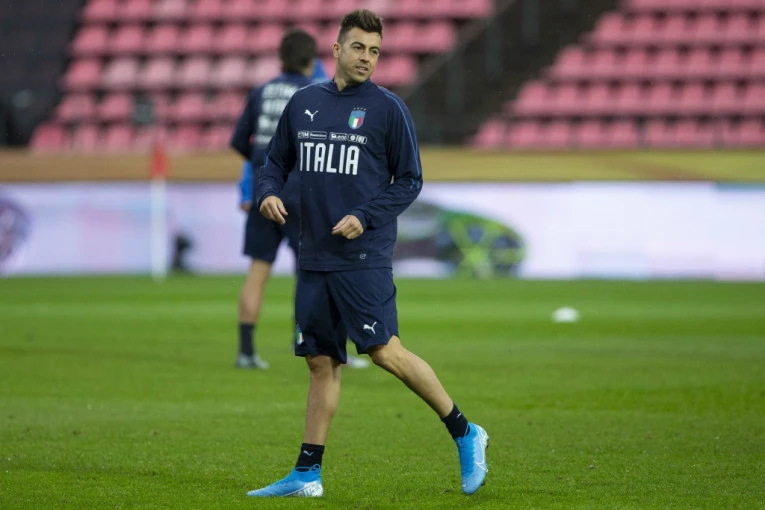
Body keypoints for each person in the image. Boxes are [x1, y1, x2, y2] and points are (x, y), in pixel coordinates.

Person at [248, 9, 489, 498]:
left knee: (384, 352)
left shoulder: (388, 109)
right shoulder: (304, 102)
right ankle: (307, 475)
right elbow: (274, 162)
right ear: (337, 49)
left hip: (363, 256)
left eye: (375, 51)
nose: (367, 58)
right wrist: (268, 192)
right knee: (320, 362)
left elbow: (410, 181)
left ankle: (466, 432)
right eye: (359, 47)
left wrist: (366, 215)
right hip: (313, 254)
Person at [231, 29, 370, 370]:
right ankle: (319, 347)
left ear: (281, 58)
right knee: (314, 274)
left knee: (258, 271)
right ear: (313, 60)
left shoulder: (261, 92)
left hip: (265, 191)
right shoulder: (316, 93)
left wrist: (262, 166)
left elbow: (239, 141)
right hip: (303, 194)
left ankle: (246, 352)